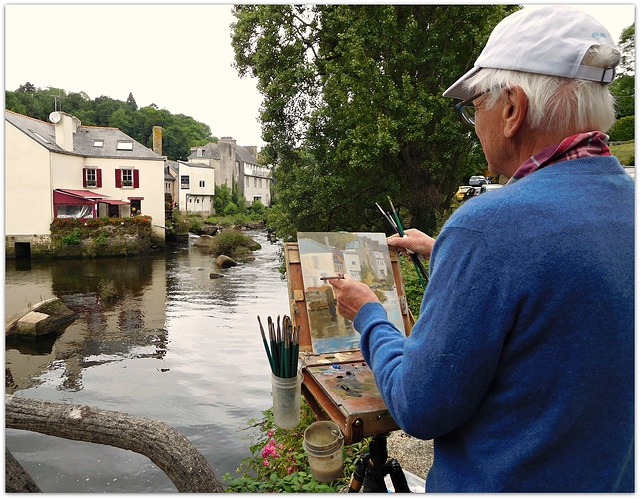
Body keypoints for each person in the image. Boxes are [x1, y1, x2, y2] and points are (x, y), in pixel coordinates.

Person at [329, 6, 633, 493]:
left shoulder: (488, 229)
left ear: (512, 109)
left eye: (475, 106)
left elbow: (419, 406)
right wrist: (443, 250)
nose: (474, 123)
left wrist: (368, 313)